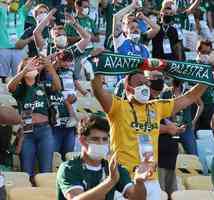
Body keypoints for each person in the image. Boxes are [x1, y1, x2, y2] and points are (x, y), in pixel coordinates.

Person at [91, 72, 207, 199]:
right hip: (125, 180)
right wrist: (98, 65)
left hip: (151, 179)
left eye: (147, 84)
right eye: (140, 84)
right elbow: (97, 90)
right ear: (128, 86)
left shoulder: (156, 107)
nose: (145, 87)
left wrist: (208, 77)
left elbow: (189, 98)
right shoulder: (118, 107)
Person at [56, 115, 152, 200]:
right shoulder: (69, 168)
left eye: (105, 139)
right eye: (95, 139)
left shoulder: (113, 168)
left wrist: (139, 182)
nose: (101, 143)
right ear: (82, 140)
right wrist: (110, 181)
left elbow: (137, 198)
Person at [7, 57, 61, 185]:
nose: (33, 66)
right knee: (27, 173)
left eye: (34, 64)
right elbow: (10, 87)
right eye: (29, 64)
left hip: (45, 131)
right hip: (27, 131)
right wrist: (24, 70)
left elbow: (58, 87)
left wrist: (50, 67)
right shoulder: (20, 89)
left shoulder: (43, 85)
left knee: (45, 172)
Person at [0, 0, 32, 83]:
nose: (15, 3)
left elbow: (29, 3)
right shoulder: (2, 11)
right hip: (3, 49)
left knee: (18, 76)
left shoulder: (21, 12)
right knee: (2, 77)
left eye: (17, 2)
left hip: (19, 50)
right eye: (13, 1)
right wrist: (6, 2)